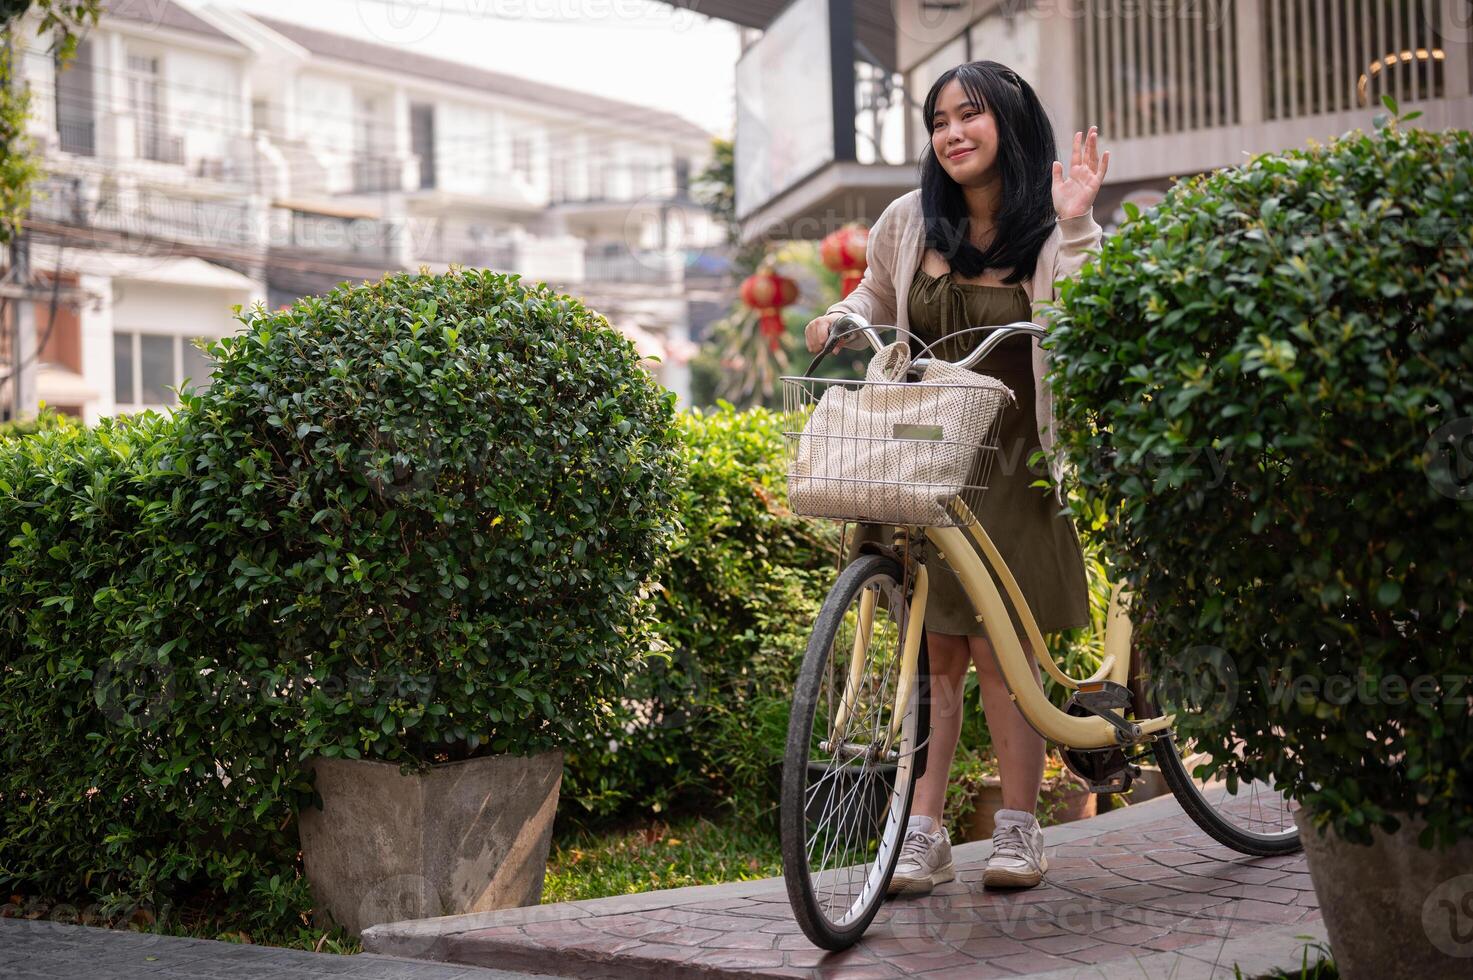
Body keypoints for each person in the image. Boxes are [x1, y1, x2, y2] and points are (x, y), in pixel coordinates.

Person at [803, 60, 1109, 894]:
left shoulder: (1051, 222)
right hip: (921, 456)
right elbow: (873, 293)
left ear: (1008, 125)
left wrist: (1076, 224)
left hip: (1014, 461)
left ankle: (1019, 829)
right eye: (939, 120)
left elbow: (1086, 317)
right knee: (930, 648)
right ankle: (921, 833)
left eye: (969, 116)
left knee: (999, 651)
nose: (952, 134)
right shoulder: (912, 219)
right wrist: (842, 317)